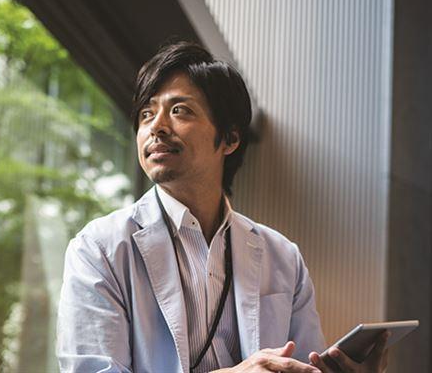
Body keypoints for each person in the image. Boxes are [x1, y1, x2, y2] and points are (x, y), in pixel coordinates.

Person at [56, 42, 389, 373]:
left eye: (179, 110)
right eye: (146, 114)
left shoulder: (284, 257)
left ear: (230, 138)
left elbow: (302, 367)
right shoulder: (99, 248)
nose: (156, 126)